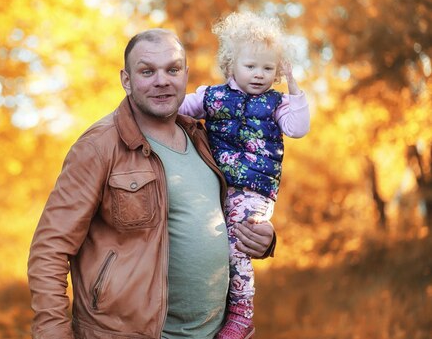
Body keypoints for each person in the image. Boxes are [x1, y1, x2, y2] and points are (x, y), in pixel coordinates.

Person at [27, 28, 277, 339]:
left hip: (215, 333)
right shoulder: (98, 147)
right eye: (147, 71)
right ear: (126, 79)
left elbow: (224, 213)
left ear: (185, 75)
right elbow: (49, 249)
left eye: (172, 69)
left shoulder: (204, 138)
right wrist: (53, 333)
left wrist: (260, 239)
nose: (162, 80)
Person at [179, 12, 310, 339]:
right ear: (230, 64)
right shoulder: (212, 97)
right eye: (250, 66)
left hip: (254, 190)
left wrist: (294, 88)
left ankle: (242, 313)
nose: (259, 75)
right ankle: (219, 307)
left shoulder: (276, 103)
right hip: (219, 188)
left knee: (237, 244)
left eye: (268, 68)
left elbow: (297, 128)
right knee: (215, 244)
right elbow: (177, 109)